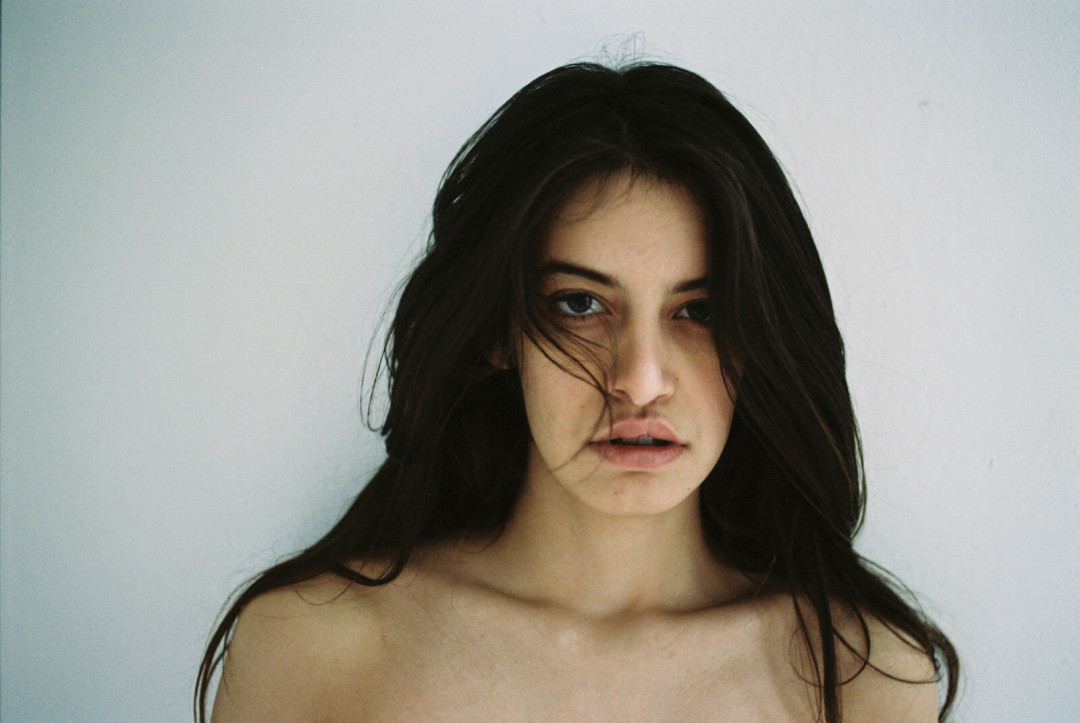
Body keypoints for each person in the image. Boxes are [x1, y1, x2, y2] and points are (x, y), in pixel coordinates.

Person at [196, 61, 959, 722]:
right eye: (580, 304)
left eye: (699, 311)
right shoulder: (311, 648)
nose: (642, 380)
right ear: (497, 330)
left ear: (759, 340)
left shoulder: (862, 679)